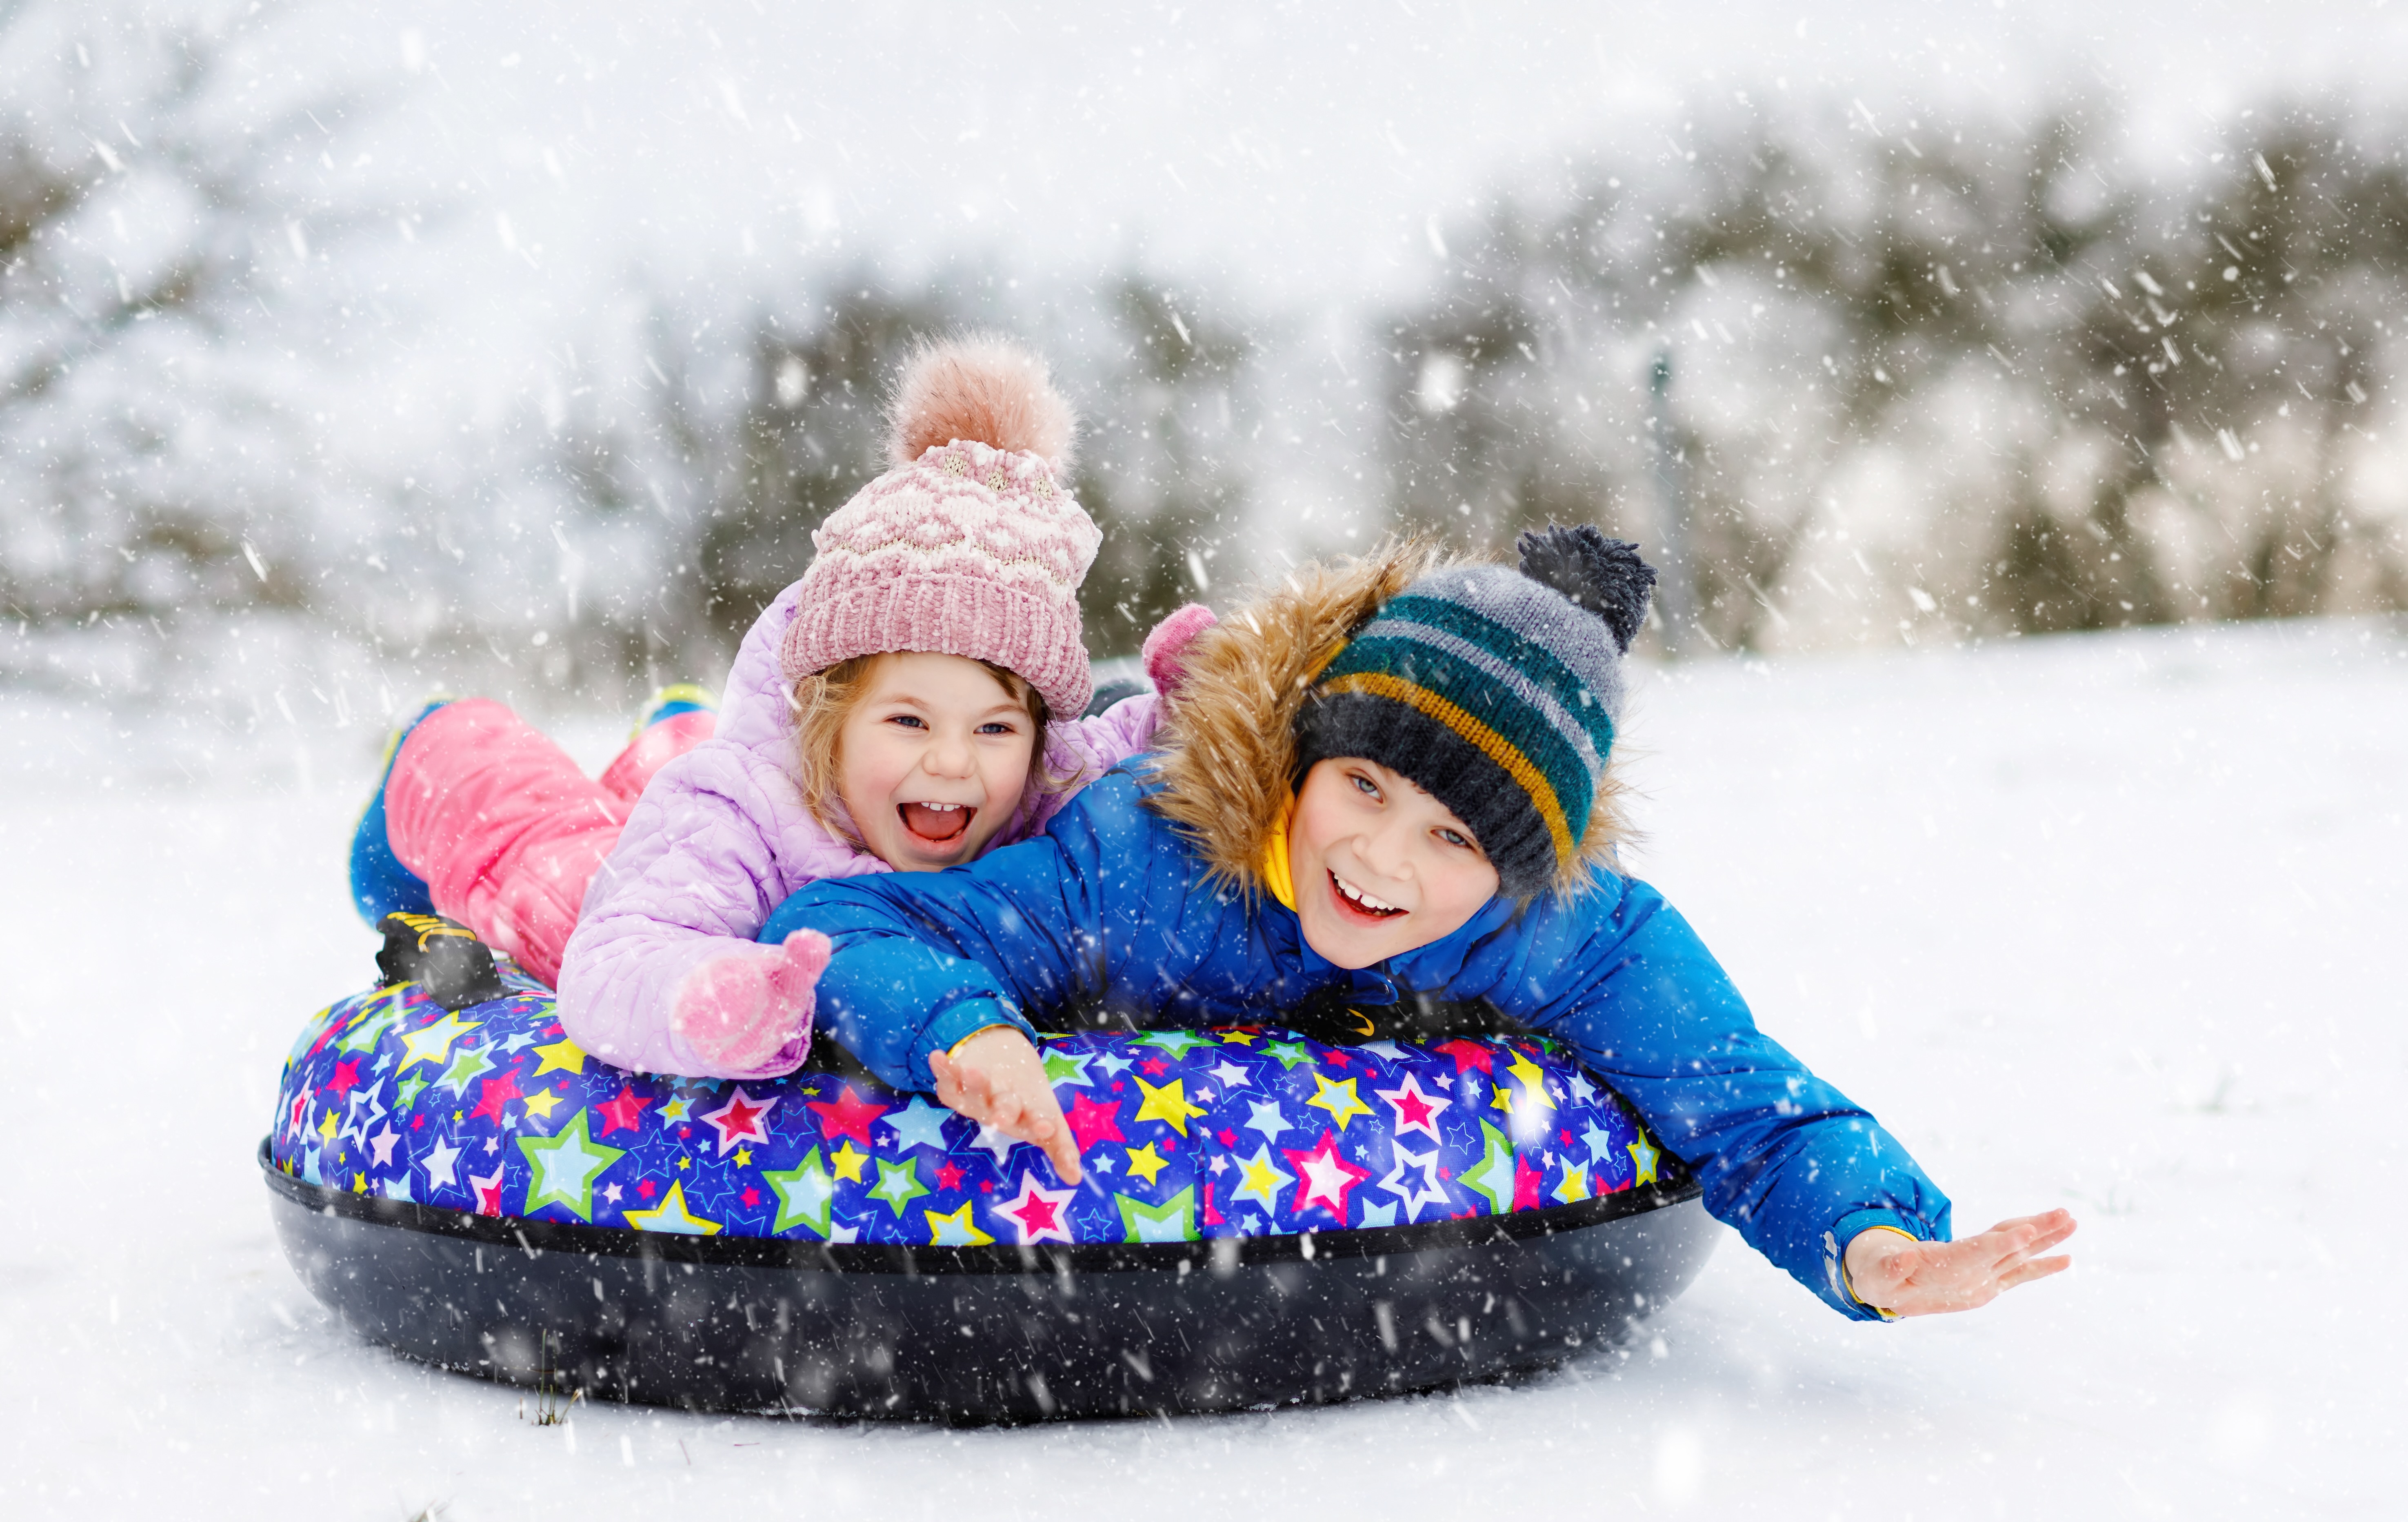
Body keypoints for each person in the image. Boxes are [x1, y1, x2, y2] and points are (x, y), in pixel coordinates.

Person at [760, 528, 2076, 1320]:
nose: (1380, 859)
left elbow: (1737, 1096)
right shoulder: (1140, 859)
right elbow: (847, 913)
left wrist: (1873, 1244)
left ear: (1514, 867)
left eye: (1453, 836)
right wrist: (962, 1023)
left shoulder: (1574, 933)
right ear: (1304, 762)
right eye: (1363, 786)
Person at [346, 333, 1213, 1083]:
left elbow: (1103, 757)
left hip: (696, 803)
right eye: (908, 721)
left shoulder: (1033, 791)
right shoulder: (743, 814)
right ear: (826, 716)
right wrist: (712, 996)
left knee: (676, 762)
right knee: (542, 847)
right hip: (640, 887)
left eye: (993, 728)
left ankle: (669, 732)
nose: (954, 761)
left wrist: (1205, 711)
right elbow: (616, 965)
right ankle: (428, 751)